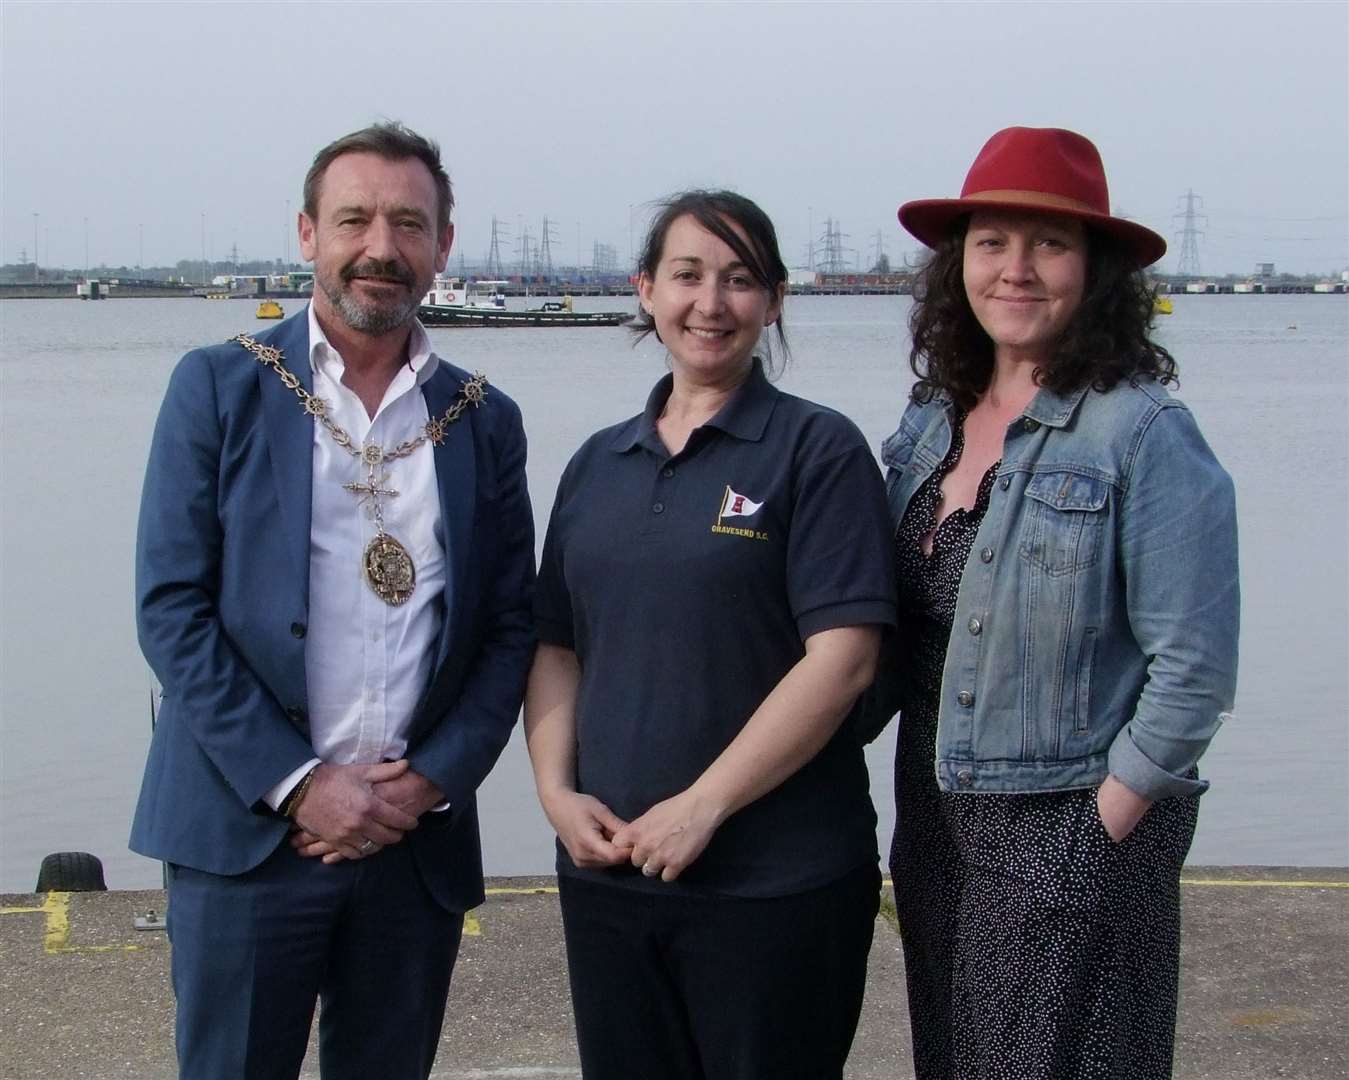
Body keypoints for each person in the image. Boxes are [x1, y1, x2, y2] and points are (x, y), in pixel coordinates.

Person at [130, 122, 535, 1080]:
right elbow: (171, 610)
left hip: (412, 839)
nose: (381, 247)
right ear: (308, 233)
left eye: (409, 223)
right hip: (248, 837)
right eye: (354, 218)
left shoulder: (485, 419)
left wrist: (434, 777)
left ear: (443, 244)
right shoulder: (219, 386)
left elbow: (509, 625)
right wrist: (303, 783)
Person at [871, 126, 1240, 1078]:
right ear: (959, 267)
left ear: (1096, 269)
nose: (1016, 270)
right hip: (937, 815)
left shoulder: (1144, 433)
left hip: (1069, 818)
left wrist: (1096, 829)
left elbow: (1192, 670)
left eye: (1049, 244)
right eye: (992, 242)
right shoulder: (927, 424)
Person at [523, 190, 897, 1079]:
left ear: (773, 302)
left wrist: (704, 806)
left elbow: (843, 660)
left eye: (739, 280)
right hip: (608, 876)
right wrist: (552, 793)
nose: (711, 303)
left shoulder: (816, 449)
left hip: (776, 884)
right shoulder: (596, 463)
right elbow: (556, 647)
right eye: (687, 275)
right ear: (645, 290)